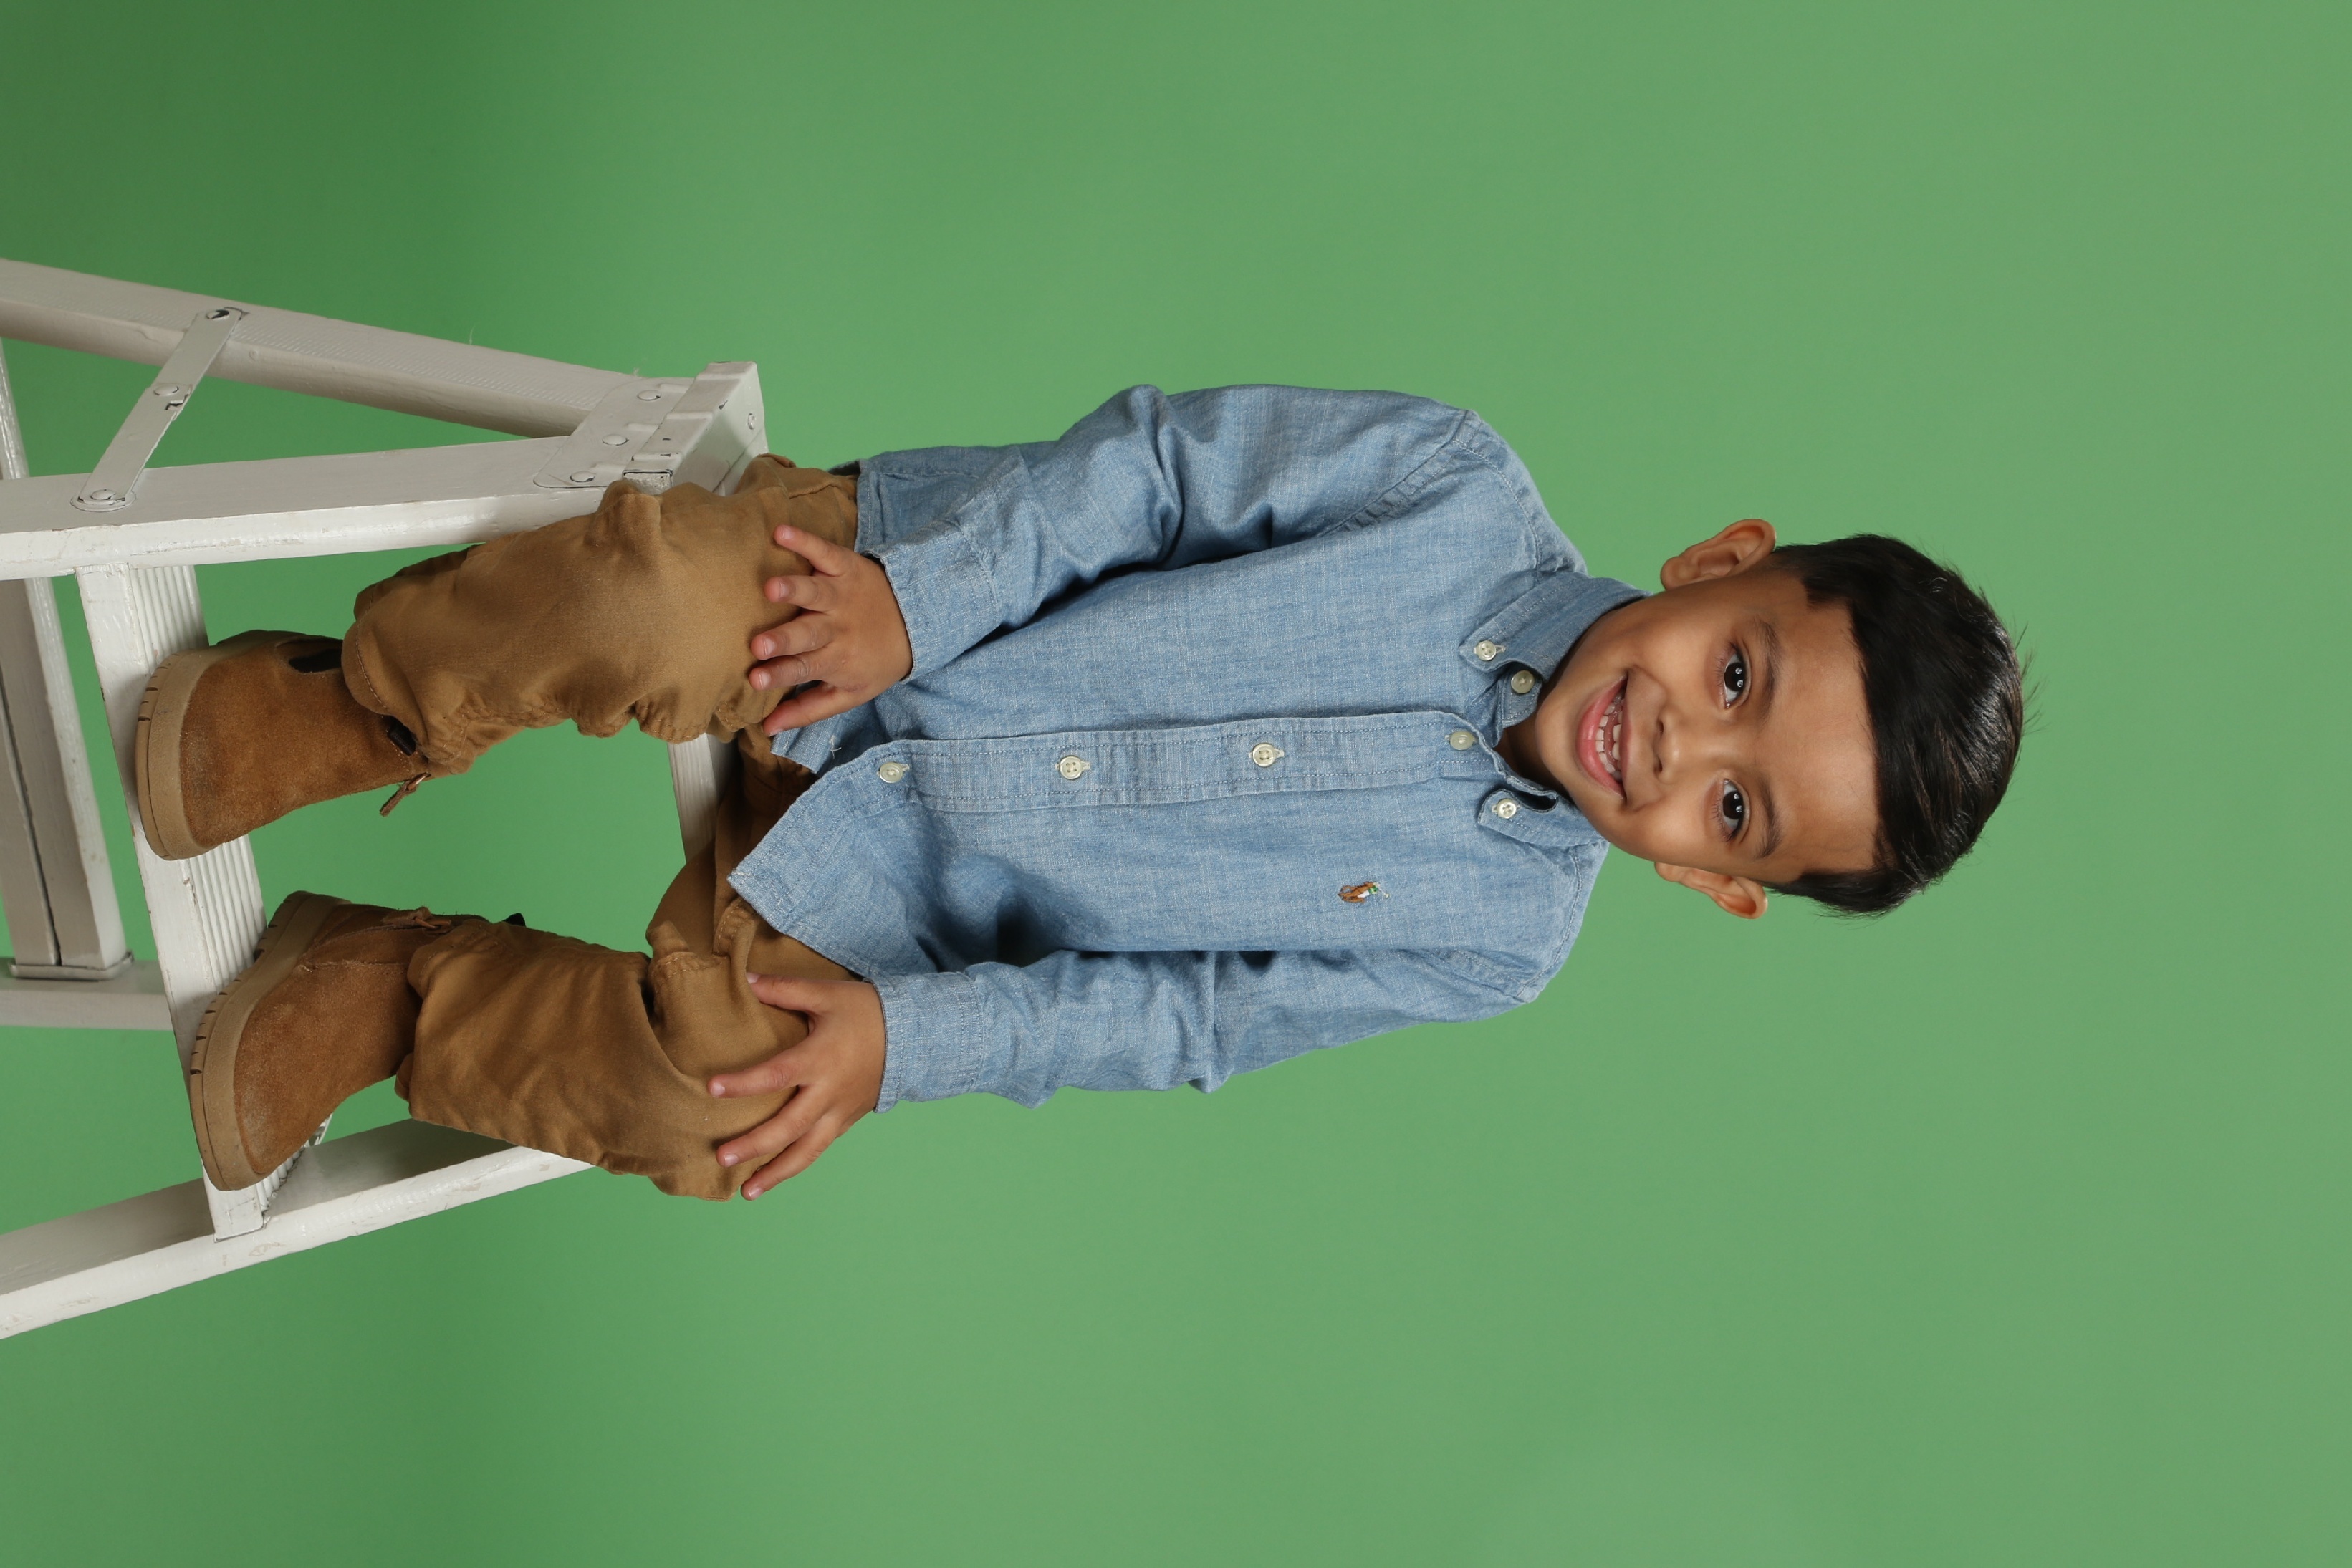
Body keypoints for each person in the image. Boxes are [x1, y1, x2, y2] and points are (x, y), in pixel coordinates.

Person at [139, 385, 2024, 1203]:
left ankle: (383, 991)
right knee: (649, 605)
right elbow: (1156, 472)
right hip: (879, 611)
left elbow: (1188, 1019)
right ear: (1722, 561)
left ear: (1716, 884)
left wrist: (909, 1045)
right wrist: (916, 597)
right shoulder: (1453, 484)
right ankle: (356, 707)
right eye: (1737, 676)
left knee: (717, 1114)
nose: (1683, 751)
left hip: (891, 903)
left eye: (1737, 814)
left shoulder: (1497, 942)